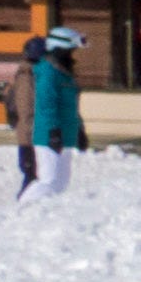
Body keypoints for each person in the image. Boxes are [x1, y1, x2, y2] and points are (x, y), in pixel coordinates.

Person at [20, 24, 87, 196]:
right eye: (70, 51)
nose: (73, 55)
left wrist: (79, 130)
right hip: (49, 136)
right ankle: (23, 208)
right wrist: (53, 131)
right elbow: (46, 104)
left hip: (67, 134)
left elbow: (71, 107)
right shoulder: (48, 72)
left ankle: (43, 215)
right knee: (48, 181)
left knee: (60, 184)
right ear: (59, 49)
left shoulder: (66, 74)